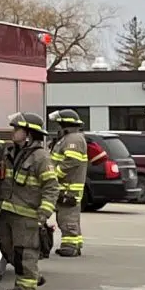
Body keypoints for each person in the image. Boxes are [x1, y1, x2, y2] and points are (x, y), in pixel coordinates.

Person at [0, 112, 55, 290]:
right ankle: (33, 275)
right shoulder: (10, 152)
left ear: (29, 134)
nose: (13, 132)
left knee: (25, 251)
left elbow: (52, 187)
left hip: (27, 214)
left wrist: (44, 213)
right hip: (7, 211)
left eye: (17, 129)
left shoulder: (41, 158)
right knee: (6, 247)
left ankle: (26, 287)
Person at [50, 110, 89, 258]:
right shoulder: (69, 138)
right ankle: (75, 244)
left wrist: (54, 175)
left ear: (65, 124)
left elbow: (72, 161)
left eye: (59, 124)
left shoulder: (73, 139)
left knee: (67, 217)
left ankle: (70, 246)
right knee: (69, 215)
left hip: (68, 187)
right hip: (67, 186)